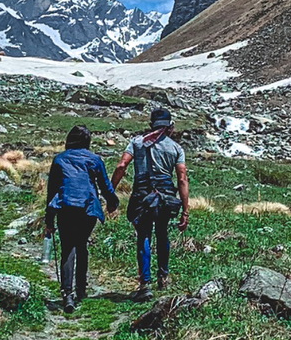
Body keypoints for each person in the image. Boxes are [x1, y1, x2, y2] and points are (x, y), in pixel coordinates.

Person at [112, 108, 188, 300]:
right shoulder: (176, 149)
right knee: (162, 234)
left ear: (150, 126)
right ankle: (163, 276)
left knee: (143, 235)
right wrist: (185, 211)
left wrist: (110, 190)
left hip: (142, 195)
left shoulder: (137, 143)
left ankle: (144, 283)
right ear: (170, 127)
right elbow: (182, 179)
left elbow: (121, 166)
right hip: (165, 195)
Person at [44, 125, 119, 313]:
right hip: (88, 208)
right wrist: (113, 203)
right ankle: (81, 290)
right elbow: (105, 186)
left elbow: (52, 190)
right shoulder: (94, 159)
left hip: (65, 206)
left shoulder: (59, 159)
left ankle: (67, 294)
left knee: (67, 247)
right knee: (81, 245)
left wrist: (49, 220)